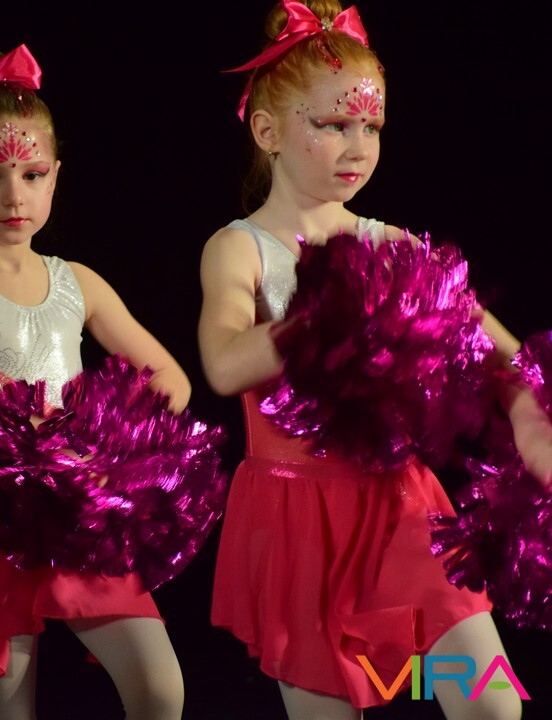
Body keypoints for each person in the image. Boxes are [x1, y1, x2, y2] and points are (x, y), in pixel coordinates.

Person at [197, 2, 552, 719]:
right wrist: (326, 313)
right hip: (296, 522)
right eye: (334, 125)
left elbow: (503, 355)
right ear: (267, 131)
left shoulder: (394, 245)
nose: (358, 146)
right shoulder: (239, 248)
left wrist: (529, 417)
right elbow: (225, 365)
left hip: (401, 508)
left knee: (489, 703)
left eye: (372, 127)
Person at [0, 44, 190, 719]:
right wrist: (32, 438)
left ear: (56, 177)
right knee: (8, 701)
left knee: (160, 689)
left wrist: (117, 443)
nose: (15, 195)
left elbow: (170, 380)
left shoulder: (77, 281)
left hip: (79, 497)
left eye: (32, 174)